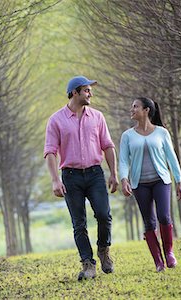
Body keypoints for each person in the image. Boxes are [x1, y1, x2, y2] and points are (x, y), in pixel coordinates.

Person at [44, 75, 118, 280]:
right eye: (86, 90)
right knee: (79, 223)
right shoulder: (56, 120)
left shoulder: (97, 117)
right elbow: (50, 152)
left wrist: (114, 173)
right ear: (75, 92)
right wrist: (54, 179)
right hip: (71, 176)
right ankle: (88, 263)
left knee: (104, 215)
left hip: (95, 173)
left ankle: (104, 249)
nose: (90, 93)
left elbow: (108, 146)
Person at [119, 97, 181, 272]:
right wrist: (124, 179)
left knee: (164, 216)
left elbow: (172, 158)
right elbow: (124, 160)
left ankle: (169, 252)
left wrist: (179, 181)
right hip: (139, 184)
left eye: (135, 106)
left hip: (161, 181)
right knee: (149, 222)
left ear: (146, 110)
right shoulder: (127, 136)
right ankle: (158, 262)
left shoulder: (162, 132)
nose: (131, 109)